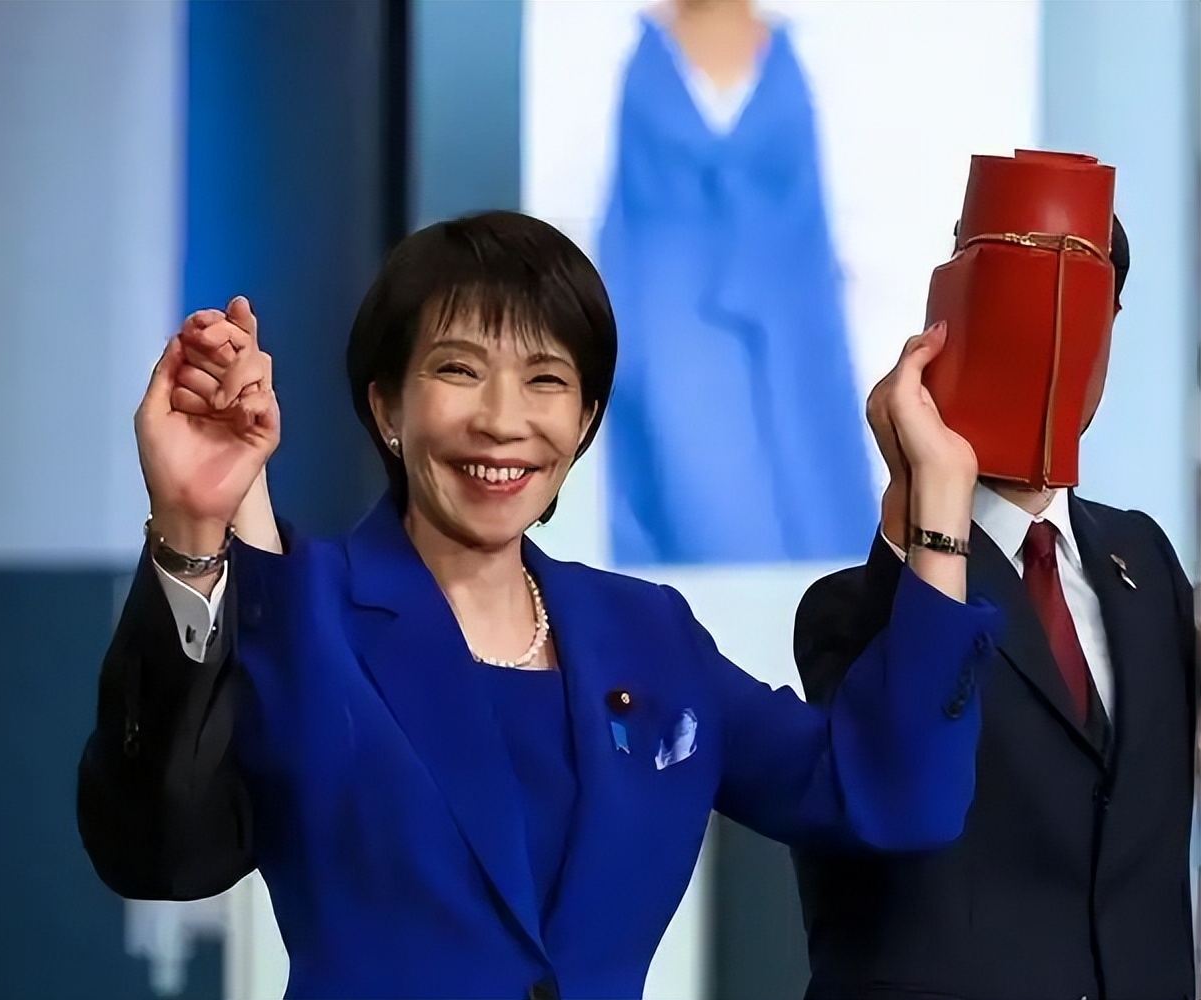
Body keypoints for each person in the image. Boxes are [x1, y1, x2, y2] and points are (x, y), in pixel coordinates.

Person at [78, 211, 998, 1000]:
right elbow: (160, 852)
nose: (503, 420)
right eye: (458, 370)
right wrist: (193, 529)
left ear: (586, 420)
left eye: (546, 379)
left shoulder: (650, 634)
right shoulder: (304, 603)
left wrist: (937, 513)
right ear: (387, 408)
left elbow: (897, 797)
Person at [792, 214, 1198, 1000]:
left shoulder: (1143, 562)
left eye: (1083, 309)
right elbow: (896, 777)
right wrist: (922, 494)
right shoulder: (855, 606)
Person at [598, 0, 875, 565]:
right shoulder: (648, 59)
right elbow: (627, 210)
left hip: (784, 302)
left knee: (808, 472)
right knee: (690, 479)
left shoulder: (786, 57)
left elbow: (807, 204)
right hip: (674, 304)